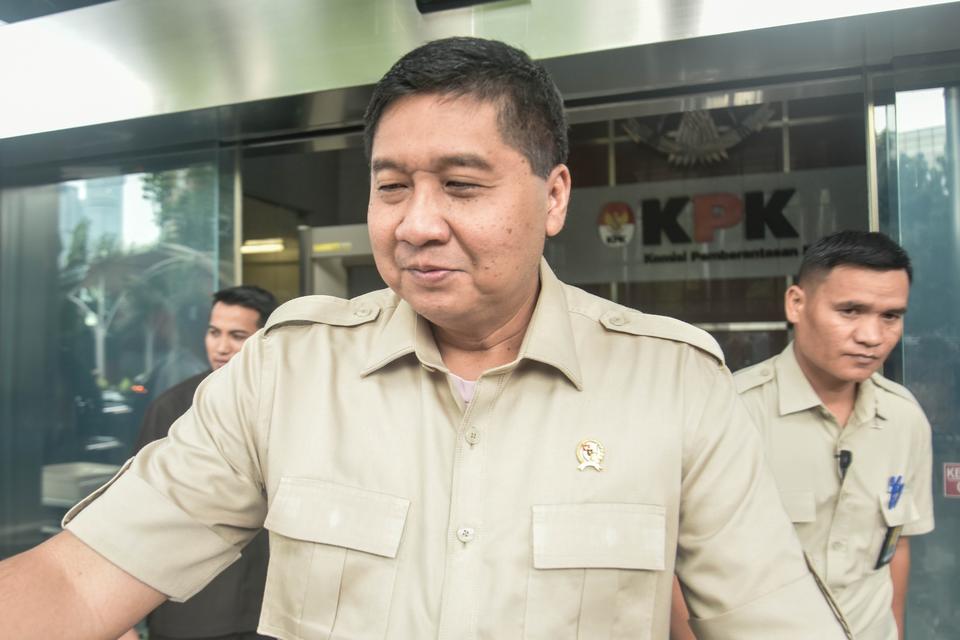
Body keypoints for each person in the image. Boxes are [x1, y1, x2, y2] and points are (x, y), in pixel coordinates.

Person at [0, 37, 849, 639]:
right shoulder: (289, 368)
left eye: (461, 186)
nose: (416, 224)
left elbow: (772, 618)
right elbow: (77, 579)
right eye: (392, 187)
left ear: (554, 196)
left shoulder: (673, 382)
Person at [734, 231, 934, 640]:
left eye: (890, 316)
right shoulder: (732, 411)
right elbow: (679, 561)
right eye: (850, 311)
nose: (871, 336)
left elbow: (895, 548)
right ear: (796, 304)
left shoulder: (904, 417)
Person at [123, 286, 277, 640]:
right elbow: (137, 512)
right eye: (213, 332)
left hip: (264, 611)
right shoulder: (172, 407)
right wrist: (123, 618)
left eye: (237, 335)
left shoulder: (291, 405)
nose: (221, 346)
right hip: (188, 613)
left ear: (264, 340)